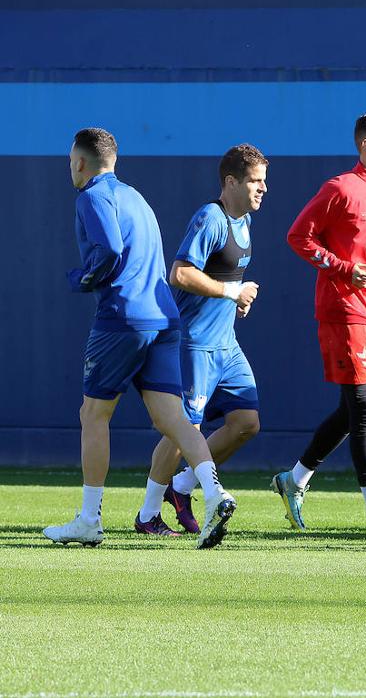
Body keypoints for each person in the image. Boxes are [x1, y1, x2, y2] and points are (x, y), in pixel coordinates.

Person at [46, 128, 235, 549]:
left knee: (93, 414)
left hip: (123, 318)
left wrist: (84, 277)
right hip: (165, 318)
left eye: (70, 162)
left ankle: (89, 520)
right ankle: (215, 492)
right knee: (172, 418)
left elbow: (110, 249)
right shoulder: (136, 197)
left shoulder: (92, 196)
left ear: (79, 162)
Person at [271, 111, 366, 532]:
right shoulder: (339, 188)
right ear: (365, 145)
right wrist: (344, 268)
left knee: (352, 410)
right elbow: (299, 237)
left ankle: (293, 481)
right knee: (363, 406)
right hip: (342, 309)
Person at [134, 144, 267, 536]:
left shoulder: (245, 221)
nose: (263, 189)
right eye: (255, 181)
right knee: (181, 431)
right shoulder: (211, 217)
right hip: (195, 345)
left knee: (246, 423)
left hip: (228, 344)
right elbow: (180, 273)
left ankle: (182, 486)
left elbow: (222, 279)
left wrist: (238, 295)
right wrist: (231, 293)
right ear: (231, 182)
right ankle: (147, 516)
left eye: (264, 182)